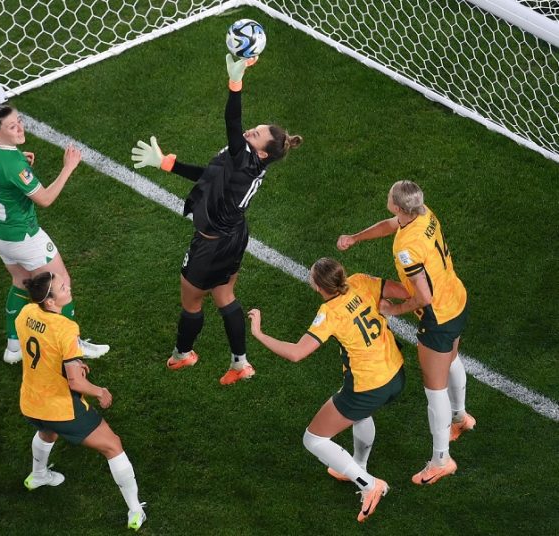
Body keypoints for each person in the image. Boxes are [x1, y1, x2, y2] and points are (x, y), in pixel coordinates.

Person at [131, 55, 302, 384]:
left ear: (263, 152)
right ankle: (240, 364)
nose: (250, 132)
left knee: (191, 298)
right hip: (234, 235)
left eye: (256, 135)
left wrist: (235, 84)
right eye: (256, 129)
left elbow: (233, 123)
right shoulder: (247, 159)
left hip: (212, 243)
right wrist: (167, 164)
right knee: (224, 295)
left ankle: (183, 355)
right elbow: (209, 175)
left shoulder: (245, 160)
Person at [249, 257, 409, 522]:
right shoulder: (361, 282)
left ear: (317, 285)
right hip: (396, 374)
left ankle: (369, 485)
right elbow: (405, 291)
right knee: (359, 413)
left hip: (369, 386)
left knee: (313, 439)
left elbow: (297, 353)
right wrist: (389, 308)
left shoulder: (330, 313)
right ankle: (357, 465)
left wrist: (259, 333)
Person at [337, 180, 474, 486]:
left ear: (399, 206)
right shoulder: (424, 213)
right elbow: (392, 225)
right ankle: (461, 417)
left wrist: (394, 310)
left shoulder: (406, 250)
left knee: (434, 389)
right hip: (456, 296)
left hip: (438, 314)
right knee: (451, 359)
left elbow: (423, 296)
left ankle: (441, 460)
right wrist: (357, 238)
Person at [0, 81, 109, 364]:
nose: (20, 129)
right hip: (23, 237)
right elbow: (45, 199)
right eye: (13, 127)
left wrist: (13, 166)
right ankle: (73, 348)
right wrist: (68, 168)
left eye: (20, 122)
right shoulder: (13, 164)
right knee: (62, 282)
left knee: (20, 281)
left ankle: (13, 347)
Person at [16, 272, 146, 531]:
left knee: (47, 431)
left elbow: (44, 351)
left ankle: (38, 475)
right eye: (62, 287)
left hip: (30, 401)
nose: (68, 287)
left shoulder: (26, 313)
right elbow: (76, 383)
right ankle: (135, 510)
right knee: (112, 446)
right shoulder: (65, 328)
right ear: (50, 302)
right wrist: (99, 391)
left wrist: (70, 363)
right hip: (59, 406)